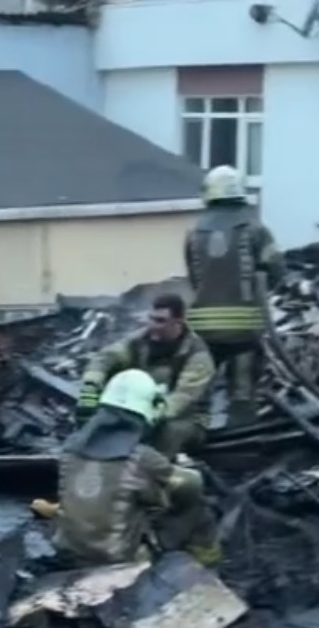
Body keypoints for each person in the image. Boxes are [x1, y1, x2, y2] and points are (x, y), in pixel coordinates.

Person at [52, 368, 220, 567]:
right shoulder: (142, 458)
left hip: (69, 549)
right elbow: (191, 485)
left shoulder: (70, 449)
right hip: (115, 557)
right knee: (198, 509)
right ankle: (207, 562)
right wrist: (182, 474)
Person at [184, 164, 284, 426]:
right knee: (241, 393)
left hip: (203, 330)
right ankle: (240, 442)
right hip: (244, 330)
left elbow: (194, 279)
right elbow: (277, 270)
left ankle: (196, 437)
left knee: (199, 391)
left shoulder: (193, 234)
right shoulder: (255, 230)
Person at [76, 292, 213, 459]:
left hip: (186, 418)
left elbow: (183, 398)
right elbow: (107, 357)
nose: (153, 325)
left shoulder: (197, 355)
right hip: (141, 407)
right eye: (151, 318)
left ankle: (157, 470)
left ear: (178, 322)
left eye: (160, 321)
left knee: (170, 431)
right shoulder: (140, 339)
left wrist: (150, 413)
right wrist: (91, 386)